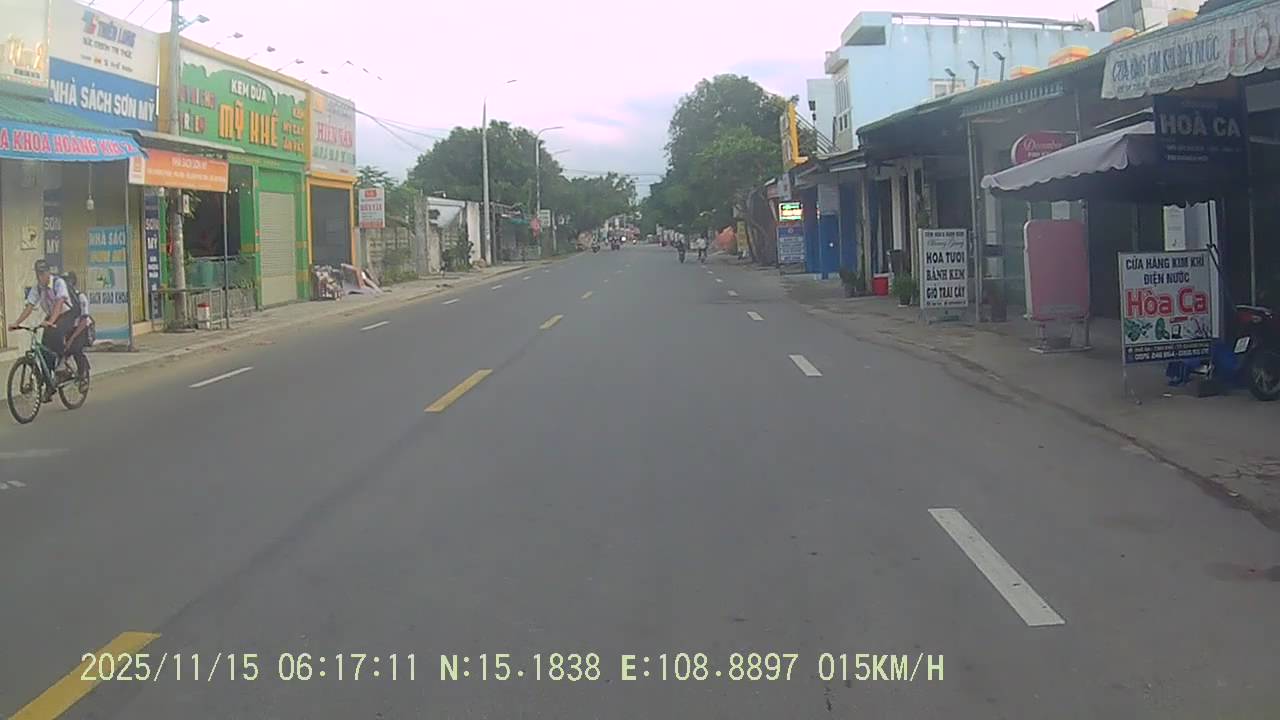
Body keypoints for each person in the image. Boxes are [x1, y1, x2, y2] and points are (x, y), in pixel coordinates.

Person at [8, 259, 81, 388]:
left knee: (57, 332)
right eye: (38, 274)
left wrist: (51, 321)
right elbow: (29, 306)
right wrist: (17, 322)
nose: (40, 277)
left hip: (67, 313)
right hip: (52, 315)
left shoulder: (58, 283)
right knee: (44, 347)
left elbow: (59, 303)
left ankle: (62, 366)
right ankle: (49, 385)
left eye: (42, 273)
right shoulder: (37, 288)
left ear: (48, 272)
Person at [63, 271, 95, 355]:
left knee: (75, 350)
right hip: (70, 328)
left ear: (73, 282)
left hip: (81, 329)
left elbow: (84, 321)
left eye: (67, 281)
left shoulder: (80, 297)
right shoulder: (63, 298)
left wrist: (71, 339)